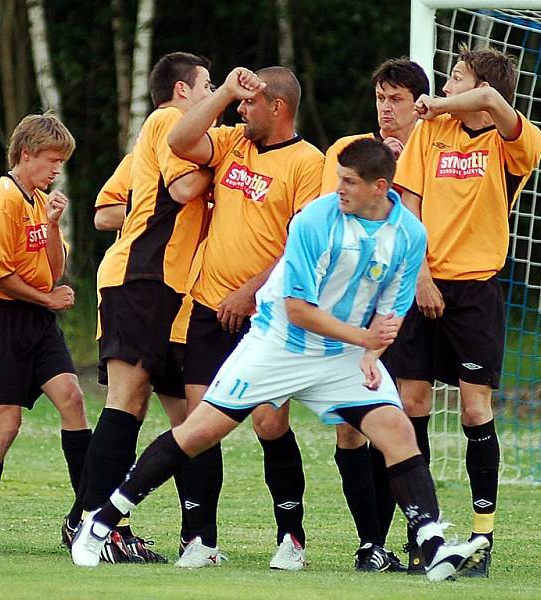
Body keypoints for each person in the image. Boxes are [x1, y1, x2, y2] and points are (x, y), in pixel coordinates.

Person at [72, 137, 492, 582]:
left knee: (397, 429)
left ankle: (431, 545)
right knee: (198, 433)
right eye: (338, 179)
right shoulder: (315, 220)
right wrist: (363, 337)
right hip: (279, 345)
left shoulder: (408, 233)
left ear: (379, 187)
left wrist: (372, 353)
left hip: (341, 354)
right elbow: (298, 309)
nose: (340, 189)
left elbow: (392, 307)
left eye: (349, 181)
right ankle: (99, 522)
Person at [385, 44, 541, 577]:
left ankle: (482, 536)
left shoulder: (514, 140)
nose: (446, 86)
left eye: (456, 77)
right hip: (423, 285)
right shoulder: (429, 134)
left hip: (476, 292)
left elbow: (491, 101)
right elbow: (408, 207)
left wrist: (443, 100)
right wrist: (421, 276)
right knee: (411, 404)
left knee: (476, 410)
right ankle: (423, 531)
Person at [166, 65, 323, 569]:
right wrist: (228, 91)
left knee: (268, 421)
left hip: (268, 317)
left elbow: (303, 246)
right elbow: (179, 138)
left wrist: (249, 291)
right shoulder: (232, 141)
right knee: (199, 424)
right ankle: (200, 540)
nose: (240, 109)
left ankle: (291, 538)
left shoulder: (308, 163)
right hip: (210, 306)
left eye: (250, 102)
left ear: (277, 107)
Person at [77, 51, 215, 562]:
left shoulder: (182, 133)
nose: (211, 93)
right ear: (182, 90)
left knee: (188, 414)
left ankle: (198, 537)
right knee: (127, 400)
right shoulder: (168, 120)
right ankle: (97, 524)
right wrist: (221, 164)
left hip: (172, 289)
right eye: (207, 85)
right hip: (140, 277)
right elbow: (176, 189)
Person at [0, 112, 91, 554]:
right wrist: (49, 299)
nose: (56, 170)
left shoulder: (37, 200)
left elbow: (55, 270)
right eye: (51, 160)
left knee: (72, 397)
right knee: (6, 426)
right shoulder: (0, 198)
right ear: (26, 154)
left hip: (35, 319)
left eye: (61, 162)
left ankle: (84, 517)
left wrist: (52, 225)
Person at [320, 58, 430, 573]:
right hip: (356, 310)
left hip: (405, 303)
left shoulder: (433, 152)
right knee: (350, 428)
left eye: (397, 100)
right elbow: (333, 216)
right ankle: (370, 543)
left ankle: (418, 534)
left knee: (402, 415)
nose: (386, 109)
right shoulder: (351, 155)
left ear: (417, 106)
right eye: (381, 99)